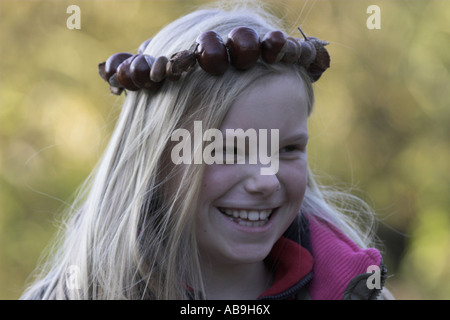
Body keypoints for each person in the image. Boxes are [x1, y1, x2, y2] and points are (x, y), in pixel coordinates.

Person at [21, 1, 391, 300]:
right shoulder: (72, 293)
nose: (265, 180)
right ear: (153, 160)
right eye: (227, 151)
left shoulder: (357, 290)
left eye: (288, 149)